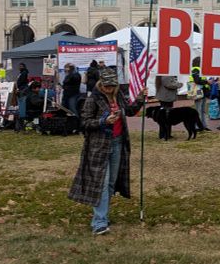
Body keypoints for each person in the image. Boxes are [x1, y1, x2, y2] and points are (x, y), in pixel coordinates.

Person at [67, 68, 145, 235]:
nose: (108, 88)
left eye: (111, 85)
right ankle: (99, 223)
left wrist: (140, 98)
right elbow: (85, 122)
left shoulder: (118, 96)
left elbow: (130, 111)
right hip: (98, 146)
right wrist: (103, 121)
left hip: (117, 143)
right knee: (102, 183)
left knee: (110, 184)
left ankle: (104, 215)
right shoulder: (93, 98)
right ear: (101, 84)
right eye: (106, 85)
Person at [154, 74, 181, 140]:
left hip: (166, 97)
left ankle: (166, 134)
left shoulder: (163, 74)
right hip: (166, 98)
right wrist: (179, 85)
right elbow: (169, 84)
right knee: (166, 117)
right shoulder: (166, 75)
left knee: (166, 117)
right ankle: (164, 134)